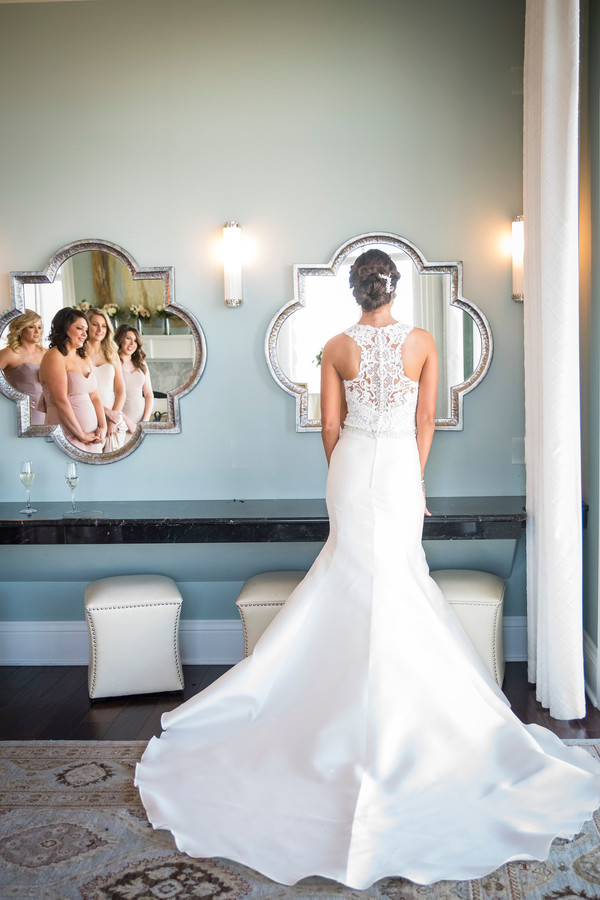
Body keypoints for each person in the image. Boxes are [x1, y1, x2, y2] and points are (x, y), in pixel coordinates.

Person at [135, 249, 600, 889]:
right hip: (401, 470)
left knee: (349, 580)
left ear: (353, 292)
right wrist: (410, 473)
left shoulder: (333, 345)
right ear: (395, 288)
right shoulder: (423, 341)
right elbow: (424, 420)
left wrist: (345, 471)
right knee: (402, 581)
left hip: (351, 468)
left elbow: (329, 424)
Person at [39, 308, 106, 453]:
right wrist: (80, 434)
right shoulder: (54, 356)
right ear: (64, 328)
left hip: (92, 437)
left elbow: (94, 397)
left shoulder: (84, 358)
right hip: (66, 434)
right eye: (79, 328)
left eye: (86, 330)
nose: (84, 334)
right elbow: (60, 400)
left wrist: (103, 427)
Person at [86, 308, 127, 451]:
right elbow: (80, 391)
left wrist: (112, 420)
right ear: (86, 325)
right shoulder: (79, 354)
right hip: (88, 415)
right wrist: (105, 413)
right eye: (95, 324)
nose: (100, 330)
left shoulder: (112, 354)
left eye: (103, 326)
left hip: (112, 420)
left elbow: (121, 391)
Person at [0, 309, 46, 424]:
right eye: (31, 327)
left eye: (39, 327)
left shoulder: (46, 353)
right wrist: (14, 398)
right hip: (24, 411)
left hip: (49, 408)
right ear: (21, 329)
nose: (37, 331)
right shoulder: (10, 353)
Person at [114, 324, 153, 432]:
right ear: (120, 340)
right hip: (120, 422)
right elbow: (111, 397)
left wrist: (145, 421)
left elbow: (149, 394)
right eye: (128, 339)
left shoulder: (142, 364)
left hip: (141, 423)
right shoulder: (113, 364)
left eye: (135, 340)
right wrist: (127, 422)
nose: (132, 343)